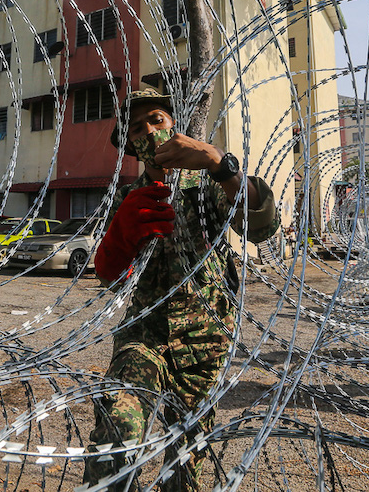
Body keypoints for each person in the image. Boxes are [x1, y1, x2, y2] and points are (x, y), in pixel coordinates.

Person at [84, 88, 279, 491]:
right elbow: (107, 275)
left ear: (174, 124)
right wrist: (121, 236)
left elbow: (260, 225)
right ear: (131, 146)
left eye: (157, 119)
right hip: (144, 334)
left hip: (204, 343)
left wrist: (220, 165)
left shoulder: (208, 183)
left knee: (186, 468)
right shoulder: (126, 197)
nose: (150, 131)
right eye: (137, 128)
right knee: (118, 430)